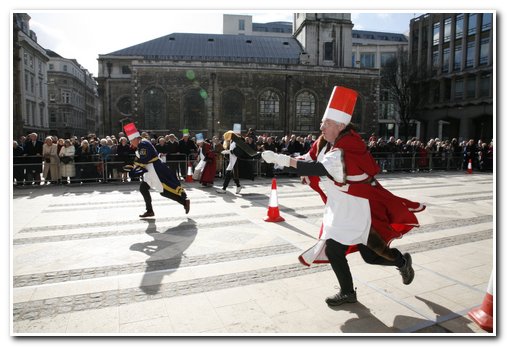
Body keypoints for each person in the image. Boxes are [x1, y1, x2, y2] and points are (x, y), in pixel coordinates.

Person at [262, 86, 426, 307]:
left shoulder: (349, 146)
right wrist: (281, 157)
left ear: (340, 126)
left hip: (355, 208)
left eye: (326, 123)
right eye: (322, 122)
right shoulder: (324, 142)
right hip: (339, 206)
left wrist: (281, 160)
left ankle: (399, 262)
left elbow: (318, 169)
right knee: (343, 250)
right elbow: (308, 159)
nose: (321, 126)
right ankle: (353, 289)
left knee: (363, 254)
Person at [122, 123, 190, 217]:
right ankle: (150, 210)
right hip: (151, 169)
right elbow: (141, 160)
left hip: (154, 170)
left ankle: (183, 201)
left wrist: (133, 168)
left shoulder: (143, 144)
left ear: (135, 139)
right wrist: (133, 166)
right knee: (145, 189)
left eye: (131, 141)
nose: (131, 143)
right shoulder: (142, 143)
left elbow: (144, 160)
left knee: (163, 191)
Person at [216, 130, 257, 195]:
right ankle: (237, 186)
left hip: (236, 161)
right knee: (231, 174)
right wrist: (228, 152)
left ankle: (225, 188)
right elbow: (232, 150)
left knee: (230, 174)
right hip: (232, 160)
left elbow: (238, 151)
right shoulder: (233, 141)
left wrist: (229, 152)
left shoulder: (238, 141)